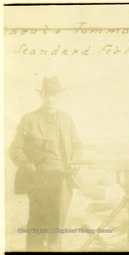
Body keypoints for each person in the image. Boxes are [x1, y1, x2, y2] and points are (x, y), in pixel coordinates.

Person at [9, 76, 82, 251]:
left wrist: (75, 161)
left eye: (54, 95)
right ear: (42, 96)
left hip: (63, 180)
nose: (51, 98)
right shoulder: (29, 119)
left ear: (59, 96)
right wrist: (30, 167)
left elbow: (77, 144)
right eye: (47, 95)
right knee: (37, 226)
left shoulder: (67, 118)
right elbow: (15, 150)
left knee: (57, 228)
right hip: (39, 180)